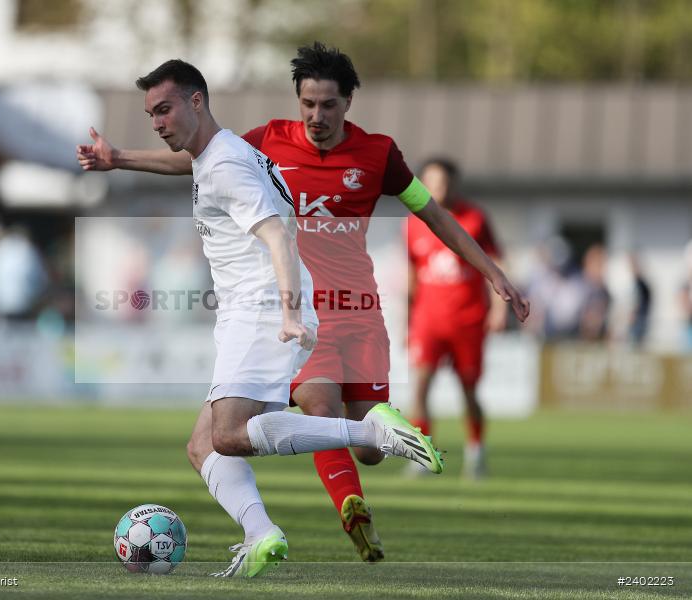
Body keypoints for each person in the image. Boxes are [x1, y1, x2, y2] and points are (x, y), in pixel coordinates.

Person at [77, 46, 529, 563]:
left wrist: (492, 272)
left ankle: (368, 437)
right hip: (283, 306)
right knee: (226, 436)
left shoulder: (374, 154)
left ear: (348, 102)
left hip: (314, 307)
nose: (316, 115)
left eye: (328, 104)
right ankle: (273, 529)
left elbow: (427, 216)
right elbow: (195, 161)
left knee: (338, 448)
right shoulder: (258, 144)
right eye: (307, 103)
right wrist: (120, 159)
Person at [405, 159, 507, 479]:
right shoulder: (412, 222)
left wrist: (499, 307)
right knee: (420, 388)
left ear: (454, 183)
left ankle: (476, 453)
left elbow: (496, 261)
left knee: (469, 390)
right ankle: (421, 457)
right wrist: (409, 318)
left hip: (468, 320)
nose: (439, 187)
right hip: (428, 320)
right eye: (432, 180)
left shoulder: (475, 219)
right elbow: (412, 273)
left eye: (444, 181)